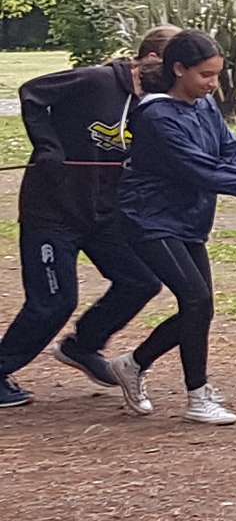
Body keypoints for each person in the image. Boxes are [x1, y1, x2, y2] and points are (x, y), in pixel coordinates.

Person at [109, 31, 236, 424]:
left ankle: (133, 364)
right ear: (179, 69)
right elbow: (207, 171)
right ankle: (197, 397)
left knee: (200, 306)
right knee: (195, 300)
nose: (213, 84)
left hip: (187, 219)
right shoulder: (157, 117)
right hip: (149, 219)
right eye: (205, 75)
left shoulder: (203, 105)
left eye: (217, 75)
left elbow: (232, 151)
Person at [0, 26, 178, 410]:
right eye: (172, 66)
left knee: (141, 281)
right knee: (54, 301)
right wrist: (48, 147)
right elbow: (32, 93)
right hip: (52, 212)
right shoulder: (96, 80)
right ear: (151, 59)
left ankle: (83, 346)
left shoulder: (154, 103)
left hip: (103, 215)